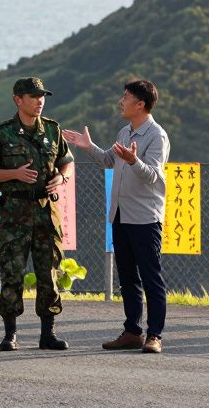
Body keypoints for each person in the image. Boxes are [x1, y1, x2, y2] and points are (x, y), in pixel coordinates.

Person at [62, 79, 170, 354]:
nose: (121, 102)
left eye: (126, 97)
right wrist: (88, 146)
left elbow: (154, 177)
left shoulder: (157, 136)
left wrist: (135, 161)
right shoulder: (125, 132)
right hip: (120, 216)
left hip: (145, 218)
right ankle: (133, 331)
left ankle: (155, 335)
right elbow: (108, 160)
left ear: (141, 104)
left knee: (150, 277)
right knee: (127, 277)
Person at [0, 77, 74, 351]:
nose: (39, 101)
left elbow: (66, 163)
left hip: (46, 211)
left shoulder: (53, 131)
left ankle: (48, 334)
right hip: (14, 213)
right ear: (18, 100)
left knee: (49, 272)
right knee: (12, 273)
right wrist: (14, 174)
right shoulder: (2, 133)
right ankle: (10, 334)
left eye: (42, 96)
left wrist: (62, 179)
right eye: (33, 96)